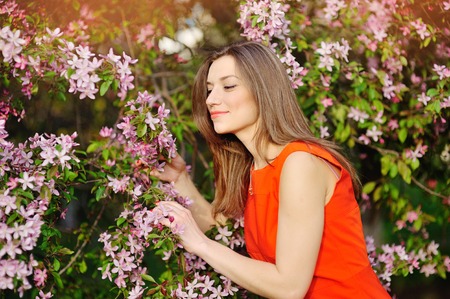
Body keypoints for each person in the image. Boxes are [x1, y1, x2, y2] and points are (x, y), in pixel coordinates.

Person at [153, 41, 391, 299]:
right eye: (209, 90)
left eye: (229, 86)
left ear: (263, 90)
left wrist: (200, 244)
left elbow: (289, 287)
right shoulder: (255, 167)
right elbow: (219, 226)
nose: (211, 100)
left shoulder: (299, 163)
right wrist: (179, 179)